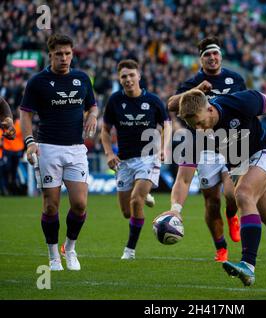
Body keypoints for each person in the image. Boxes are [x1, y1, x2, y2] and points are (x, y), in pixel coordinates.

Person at [168, 88, 266, 286]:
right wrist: (175, 210)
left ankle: (248, 265)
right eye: (192, 125)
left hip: (265, 152)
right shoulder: (195, 136)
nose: (198, 128)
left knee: (243, 194)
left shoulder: (240, 102)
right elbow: (183, 180)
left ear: (210, 109)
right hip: (240, 167)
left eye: (200, 121)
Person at [20, 34, 98, 271]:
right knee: (51, 205)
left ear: (72, 53)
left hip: (76, 149)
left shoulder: (82, 78)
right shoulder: (38, 82)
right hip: (48, 149)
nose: (64, 58)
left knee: (80, 204)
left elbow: (92, 105)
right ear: (50, 55)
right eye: (59, 54)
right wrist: (30, 141)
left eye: (67, 53)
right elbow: (25, 113)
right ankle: (53, 255)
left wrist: (93, 114)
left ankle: (70, 248)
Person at [167, 37, 246, 262]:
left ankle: (232, 215)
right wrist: (196, 90)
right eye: (207, 55)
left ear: (220, 55)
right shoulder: (194, 81)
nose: (212, 58)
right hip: (202, 144)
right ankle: (221, 248)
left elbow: (245, 106)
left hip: (230, 141)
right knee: (212, 202)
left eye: (215, 53)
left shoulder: (235, 79)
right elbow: (171, 104)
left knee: (233, 195)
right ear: (200, 59)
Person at [101, 59, 169, 260]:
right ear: (119, 79)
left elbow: (167, 125)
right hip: (124, 161)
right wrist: (109, 153)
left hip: (148, 158)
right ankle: (145, 194)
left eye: (131, 75)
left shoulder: (154, 101)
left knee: (135, 200)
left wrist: (164, 149)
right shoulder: (114, 101)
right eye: (124, 76)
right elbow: (105, 131)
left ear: (139, 76)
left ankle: (129, 251)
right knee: (126, 212)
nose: (128, 79)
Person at [2, 108, 25, 195]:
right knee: (7, 169)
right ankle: (8, 187)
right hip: (8, 150)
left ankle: (13, 187)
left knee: (14, 171)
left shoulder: (18, 124)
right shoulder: (7, 125)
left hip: (17, 150)